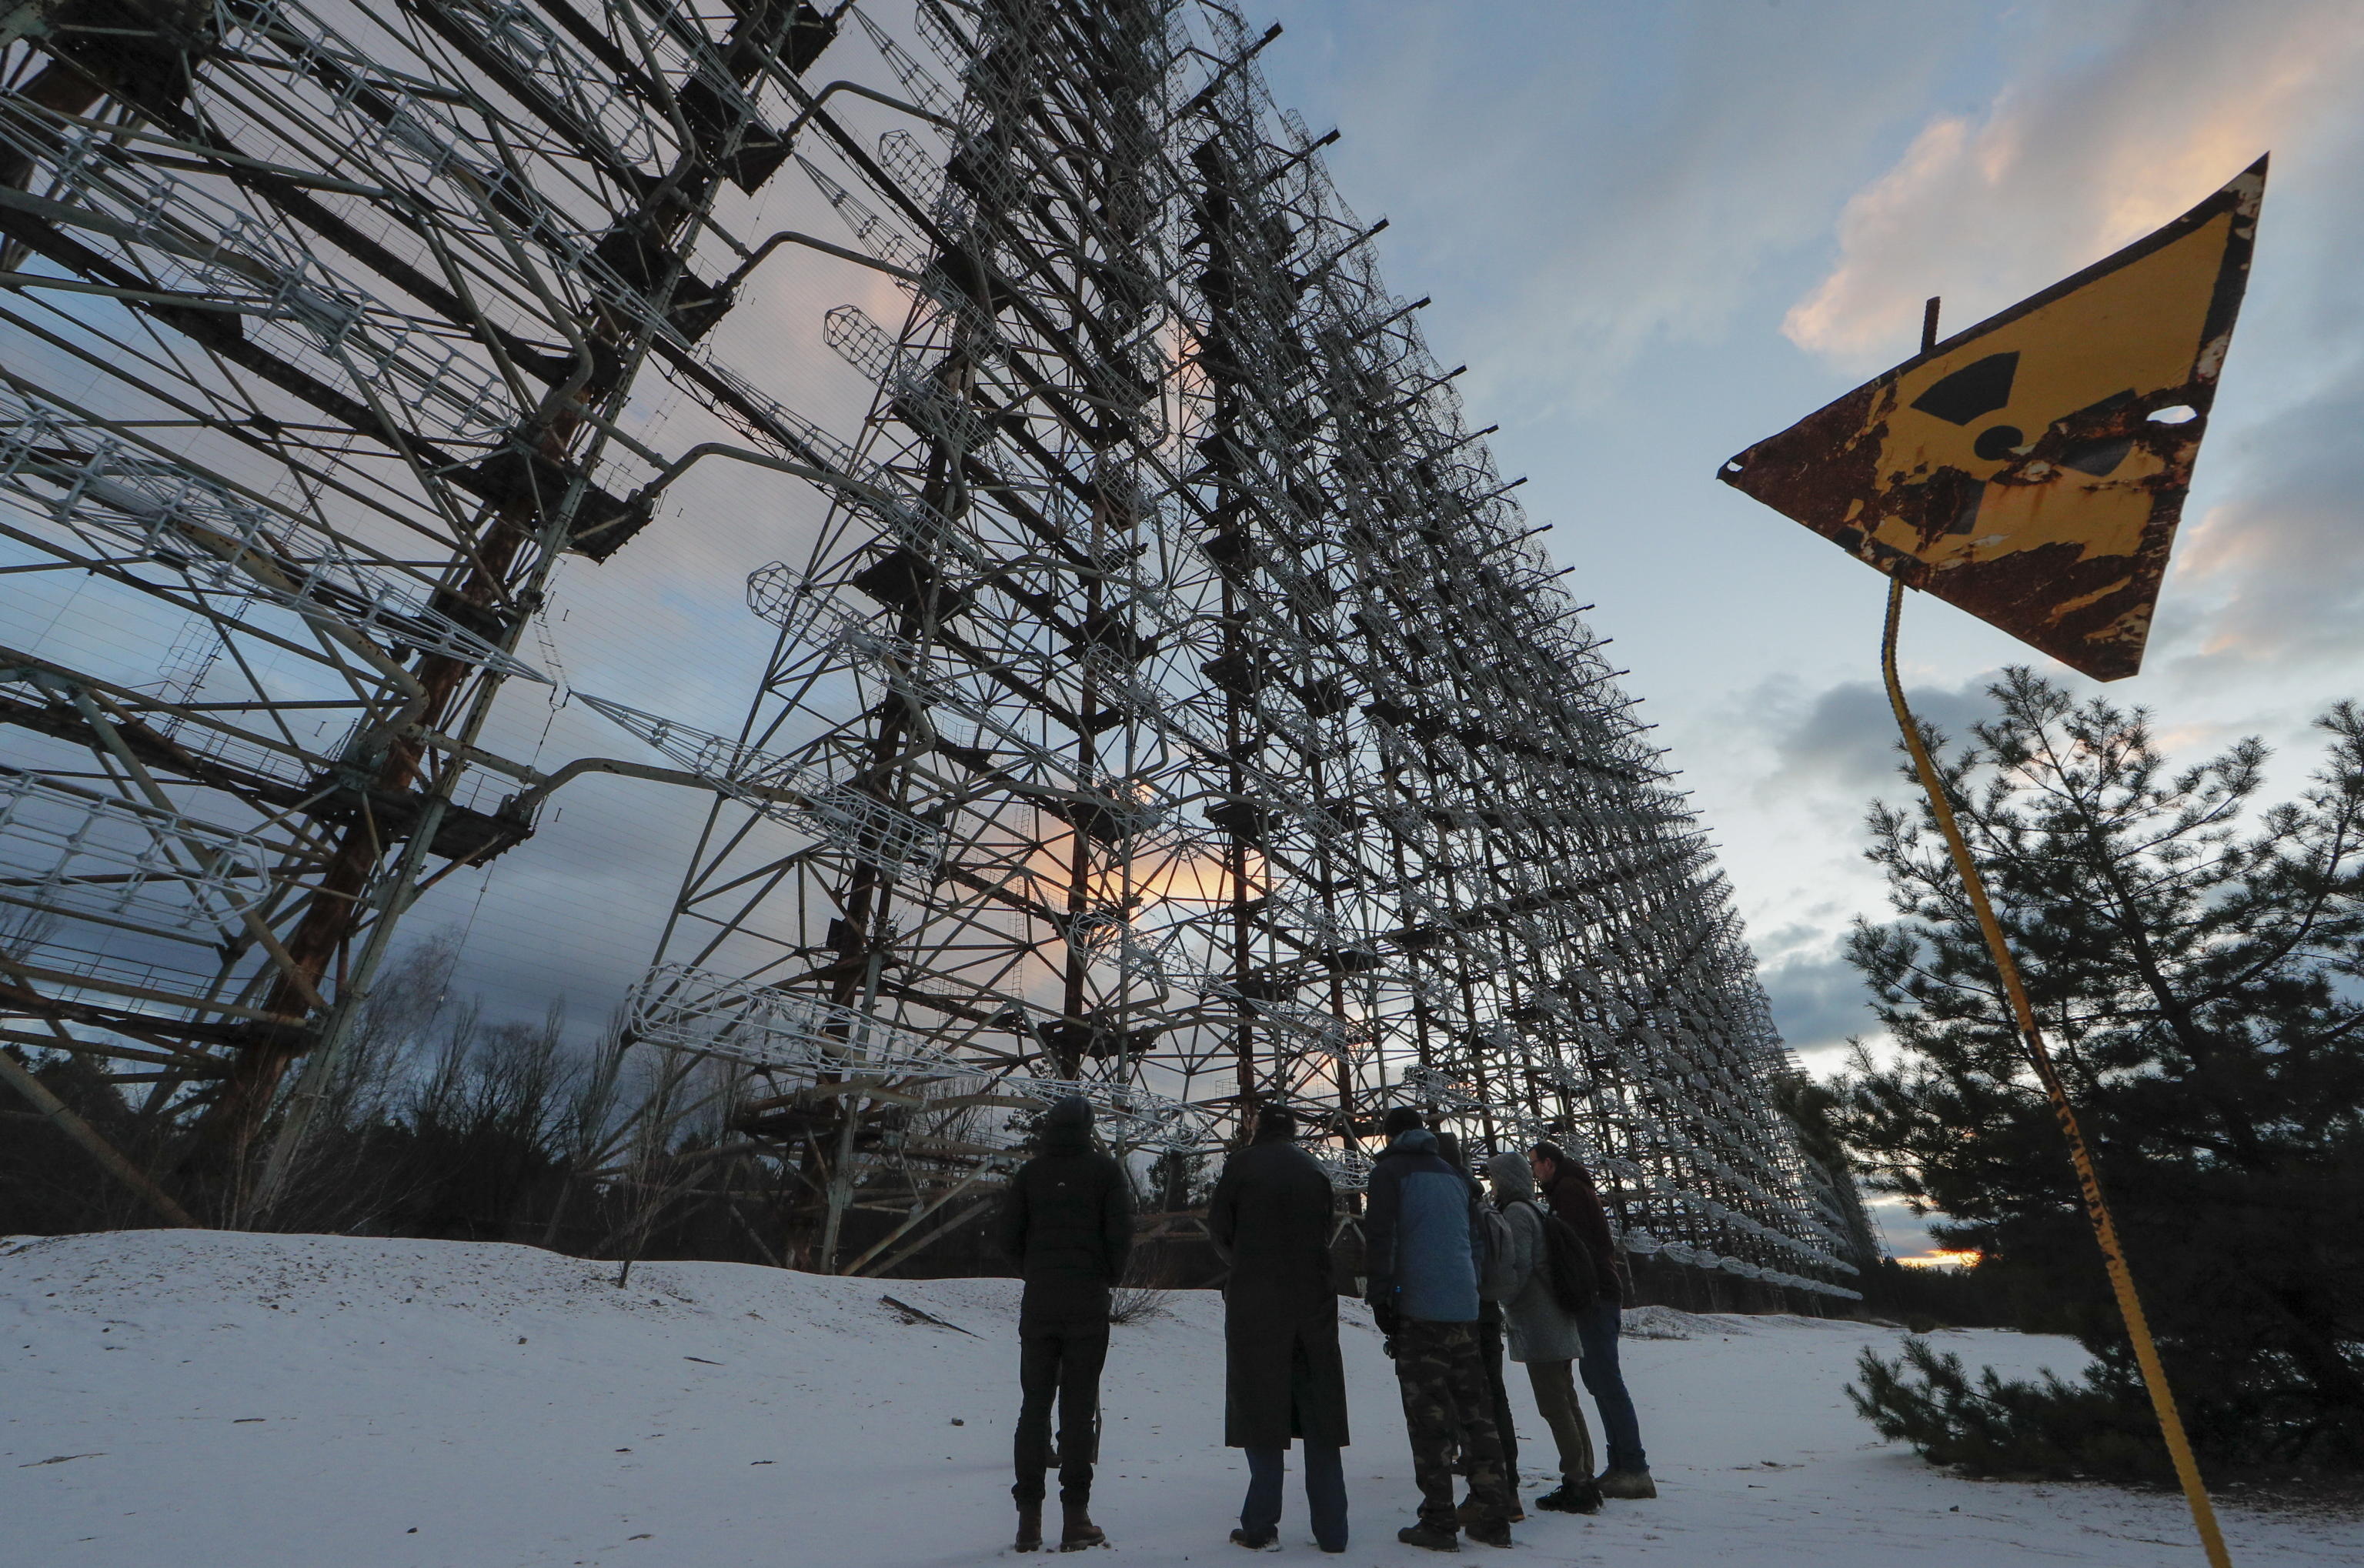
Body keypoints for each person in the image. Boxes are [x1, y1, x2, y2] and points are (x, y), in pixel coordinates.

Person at [1365, 1107, 1514, 1550]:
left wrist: (1382, 1298)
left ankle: (1439, 1521)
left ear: (1389, 1135)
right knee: (1476, 1413)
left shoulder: (1389, 1173)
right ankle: (1494, 1516)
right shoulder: (1456, 1176)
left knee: (1428, 1419)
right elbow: (1476, 1242)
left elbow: (1383, 1239)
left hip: (1419, 1308)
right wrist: (1468, 1287)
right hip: (1464, 1307)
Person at [1207, 1104, 1351, 1553]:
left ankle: (1260, 1525)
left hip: (1257, 1305)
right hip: (1314, 1303)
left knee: (1261, 1412)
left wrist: (1246, 1265)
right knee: (1320, 1414)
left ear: (1256, 1128)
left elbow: (1220, 1231)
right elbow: (1326, 1232)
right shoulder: (1314, 1169)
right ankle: (1333, 1530)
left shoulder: (1241, 1165)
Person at [996, 1095, 1135, 1550]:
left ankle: (1028, 1522)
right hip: (1087, 1305)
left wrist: (1034, 1271)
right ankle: (1076, 1519)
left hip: (1040, 1303)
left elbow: (1006, 1237)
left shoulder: (1031, 1174)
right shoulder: (1105, 1173)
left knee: (1033, 1407)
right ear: (1088, 1127)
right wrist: (1105, 1276)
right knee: (1078, 1411)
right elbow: (1121, 1237)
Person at [1530, 1140, 1654, 1499]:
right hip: (1598, 1294)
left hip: (1595, 1296)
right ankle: (1621, 1465)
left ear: (1549, 1163)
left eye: (1535, 1163)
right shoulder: (1573, 1188)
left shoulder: (1568, 1191)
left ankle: (1634, 1468)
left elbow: (1574, 1249)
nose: (1533, 1171)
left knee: (1606, 1381)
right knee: (1600, 1381)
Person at [1484, 1152, 1604, 1514]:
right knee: (1567, 1401)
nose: (1492, 1185)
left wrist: (1496, 1295)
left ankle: (1577, 1483)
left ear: (1506, 1180)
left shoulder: (1517, 1214)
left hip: (1541, 1324)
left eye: (1495, 1178)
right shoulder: (1535, 1210)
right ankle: (1585, 1476)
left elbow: (1517, 1269)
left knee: (1555, 1406)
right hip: (1557, 1319)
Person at [1434, 1130, 1521, 1525]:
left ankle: (1488, 1494)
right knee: (1494, 1399)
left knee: (1470, 1405)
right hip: (1488, 1312)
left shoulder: (1453, 1202)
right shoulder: (1479, 1199)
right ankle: (1509, 1488)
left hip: (1462, 1313)